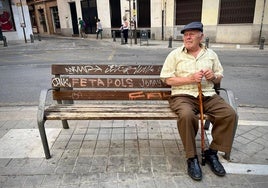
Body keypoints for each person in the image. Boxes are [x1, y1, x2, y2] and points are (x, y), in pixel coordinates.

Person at [160, 21, 237, 181]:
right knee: (187, 116)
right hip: (182, 96)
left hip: (208, 95)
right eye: (185, 34)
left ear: (201, 36)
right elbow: (166, 79)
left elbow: (219, 75)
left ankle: (212, 152)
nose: (187, 37)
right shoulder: (175, 55)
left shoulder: (211, 54)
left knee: (229, 114)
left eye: (192, 34)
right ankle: (192, 157)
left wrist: (213, 76)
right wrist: (189, 79)